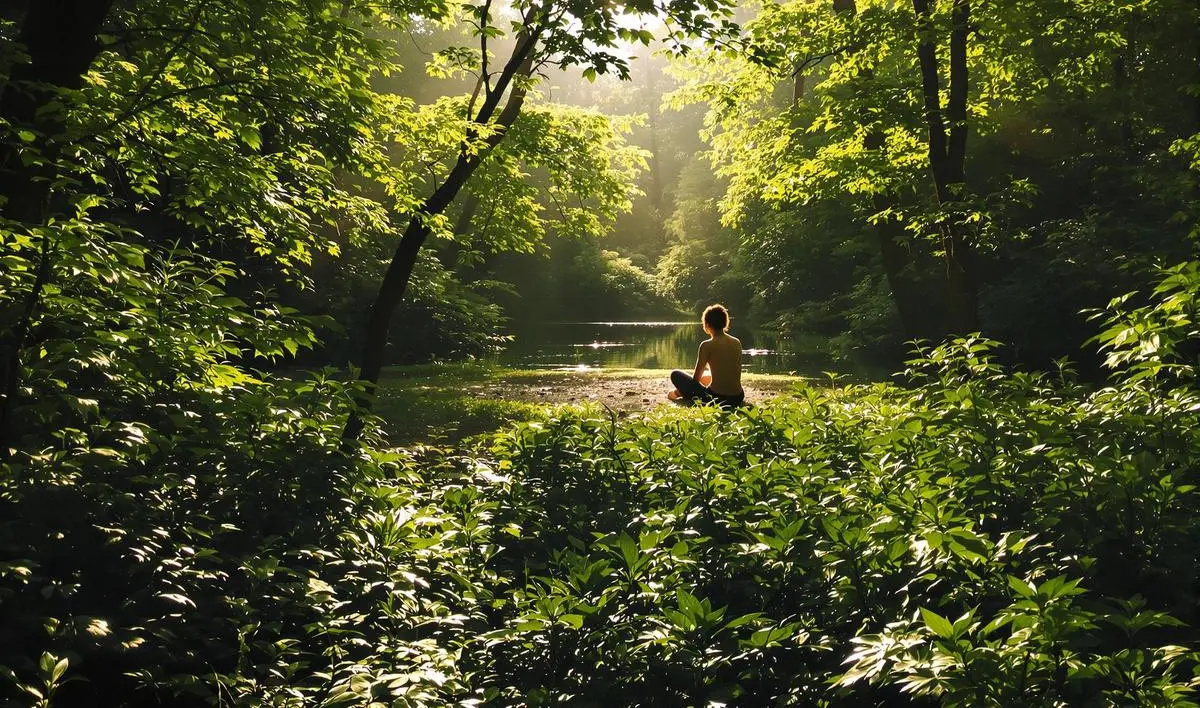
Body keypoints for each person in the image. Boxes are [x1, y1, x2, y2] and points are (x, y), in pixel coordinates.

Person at [668, 304, 744, 409]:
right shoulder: (736, 342)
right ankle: (679, 393)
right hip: (738, 397)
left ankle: (678, 393)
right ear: (725, 323)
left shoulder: (706, 345)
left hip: (717, 398)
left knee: (675, 374)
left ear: (707, 325)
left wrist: (680, 390)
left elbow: (695, 380)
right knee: (706, 377)